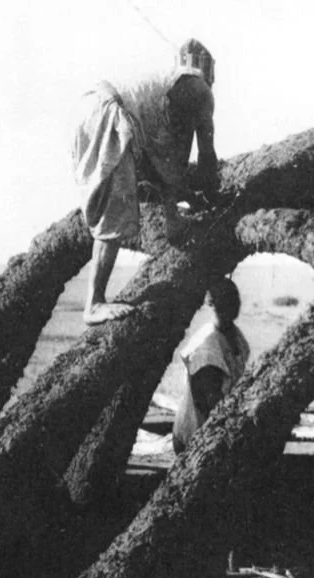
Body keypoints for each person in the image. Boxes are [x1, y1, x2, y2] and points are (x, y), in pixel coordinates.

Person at [72, 39, 220, 325]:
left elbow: (161, 165)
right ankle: (94, 303)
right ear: (208, 71)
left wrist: (175, 216)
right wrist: (211, 195)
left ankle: (96, 299)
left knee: (126, 184)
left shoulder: (165, 91)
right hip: (109, 114)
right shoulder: (198, 89)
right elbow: (206, 156)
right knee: (115, 210)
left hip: (87, 109)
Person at [173, 278, 250, 453]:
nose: (234, 305)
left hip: (218, 419)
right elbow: (208, 403)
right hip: (194, 433)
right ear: (211, 305)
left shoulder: (235, 335)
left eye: (235, 298)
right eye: (227, 300)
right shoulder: (208, 345)